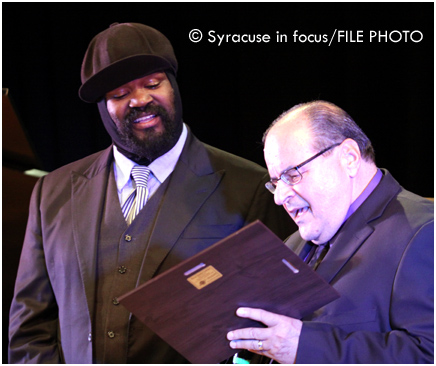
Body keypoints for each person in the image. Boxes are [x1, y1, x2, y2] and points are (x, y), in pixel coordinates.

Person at [8, 23, 295, 364]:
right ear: (102, 106)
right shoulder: (52, 193)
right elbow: (29, 327)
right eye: (120, 93)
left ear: (173, 86)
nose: (140, 100)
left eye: (152, 84)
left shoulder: (250, 187)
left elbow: (273, 322)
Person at [227, 100, 434, 363]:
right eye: (276, 182)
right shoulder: (292, 245)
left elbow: (427, 353)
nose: (279, 198)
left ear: (349, 158)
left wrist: (302, 347)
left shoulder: (424, 233)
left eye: (292, 175)